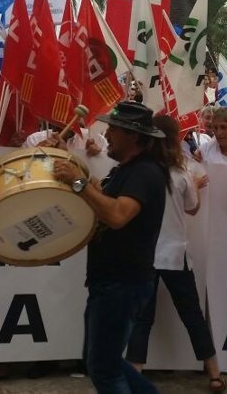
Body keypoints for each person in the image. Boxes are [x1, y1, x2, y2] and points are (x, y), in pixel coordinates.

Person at [50, 101, 167, 394]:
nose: (107, 134)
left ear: (134, 136)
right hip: (111, 281)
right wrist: (68, 159)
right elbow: (101, 194)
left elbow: (116, 216)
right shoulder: (126, 170)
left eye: (114, 129)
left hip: (123, 282)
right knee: (102, 360)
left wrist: (77, 182)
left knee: (103, 368)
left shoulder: (145, 172)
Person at [126, 115, 224, 393]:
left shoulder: (139, 172)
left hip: (146, 255)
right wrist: (197, 185)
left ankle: (133, 375)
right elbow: (192, 208)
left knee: (142, 319)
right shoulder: (181, 174)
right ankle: (214, 373)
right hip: (174, 255)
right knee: (192, 314)